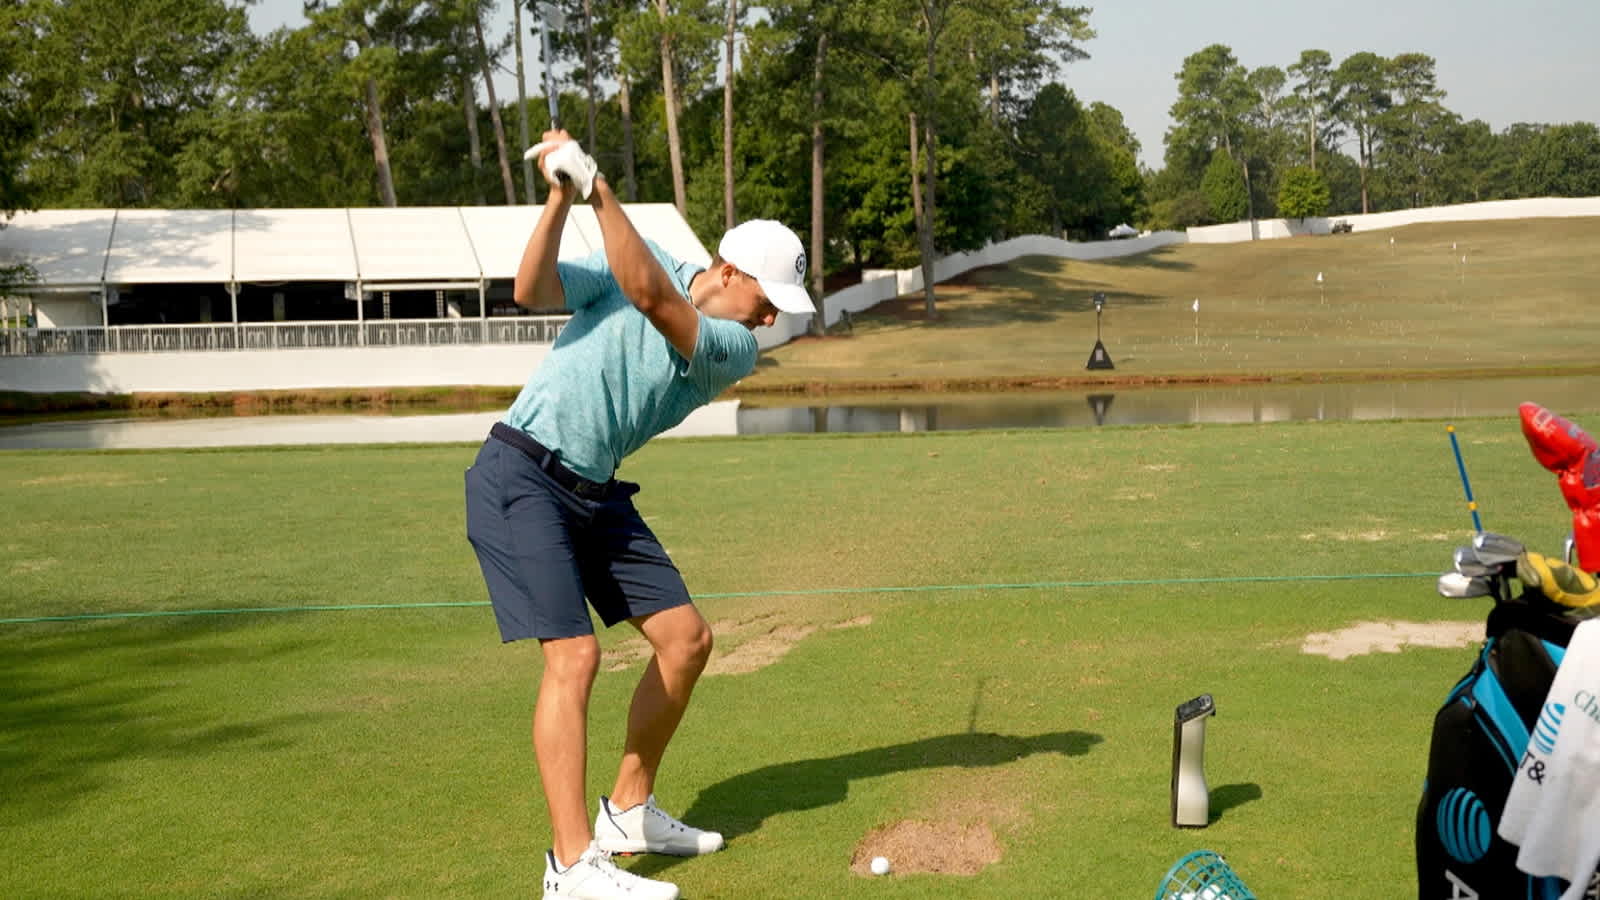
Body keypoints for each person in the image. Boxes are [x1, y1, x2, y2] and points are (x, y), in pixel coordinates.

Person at [463, 130, 815, 900]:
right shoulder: (642, 252)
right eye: (766, 302)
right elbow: (532, 289)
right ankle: (569, 867)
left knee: (686, 640)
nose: (769, 323)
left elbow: (653, 297)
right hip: (520, 471)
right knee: (575, 658)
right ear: (728, 272)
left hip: (590, 490)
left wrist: (597, 188)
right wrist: (562, 195)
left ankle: (627, 810)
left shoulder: (731, 347)